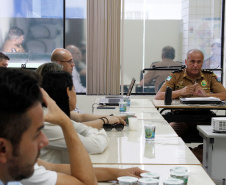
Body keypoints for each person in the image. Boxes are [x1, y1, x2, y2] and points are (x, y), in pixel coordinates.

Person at [0, 68, 145, 185]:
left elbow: (55, 168)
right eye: (36, 134)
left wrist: (118, 173)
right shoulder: (20, 165)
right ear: (3, 148)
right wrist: (65, 123)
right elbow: (87, 183)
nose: (44, 141)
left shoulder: (16, 163)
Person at [155, 49, 226, 162]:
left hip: (205, 117)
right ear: (186, 62)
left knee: (220, 139)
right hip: (181, 118)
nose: (195, 65)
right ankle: (182, 157)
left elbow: (224, 94)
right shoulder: (175, 76)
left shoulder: (209, 76)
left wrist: (206, 95)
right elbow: (158, 96)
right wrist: (180, 92)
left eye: (199, 62)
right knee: (165, 137)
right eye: (192, 61)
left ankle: (190, 156)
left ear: (202, 63)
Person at [40, 71, 126, 163]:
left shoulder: (57, 116)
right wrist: (100, 131)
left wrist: (96, 129)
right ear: (67, 93)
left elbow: (83, 129)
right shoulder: (47, 123)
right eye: (74, 90)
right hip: (56, 175)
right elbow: (96, 145)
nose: (75, 94)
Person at [35, 62, 126, 130]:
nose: (73, 64)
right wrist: (105, 120)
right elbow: (77, 128)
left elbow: (80, 117)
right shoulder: (47, 115)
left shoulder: (54, 107)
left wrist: (114, 117)